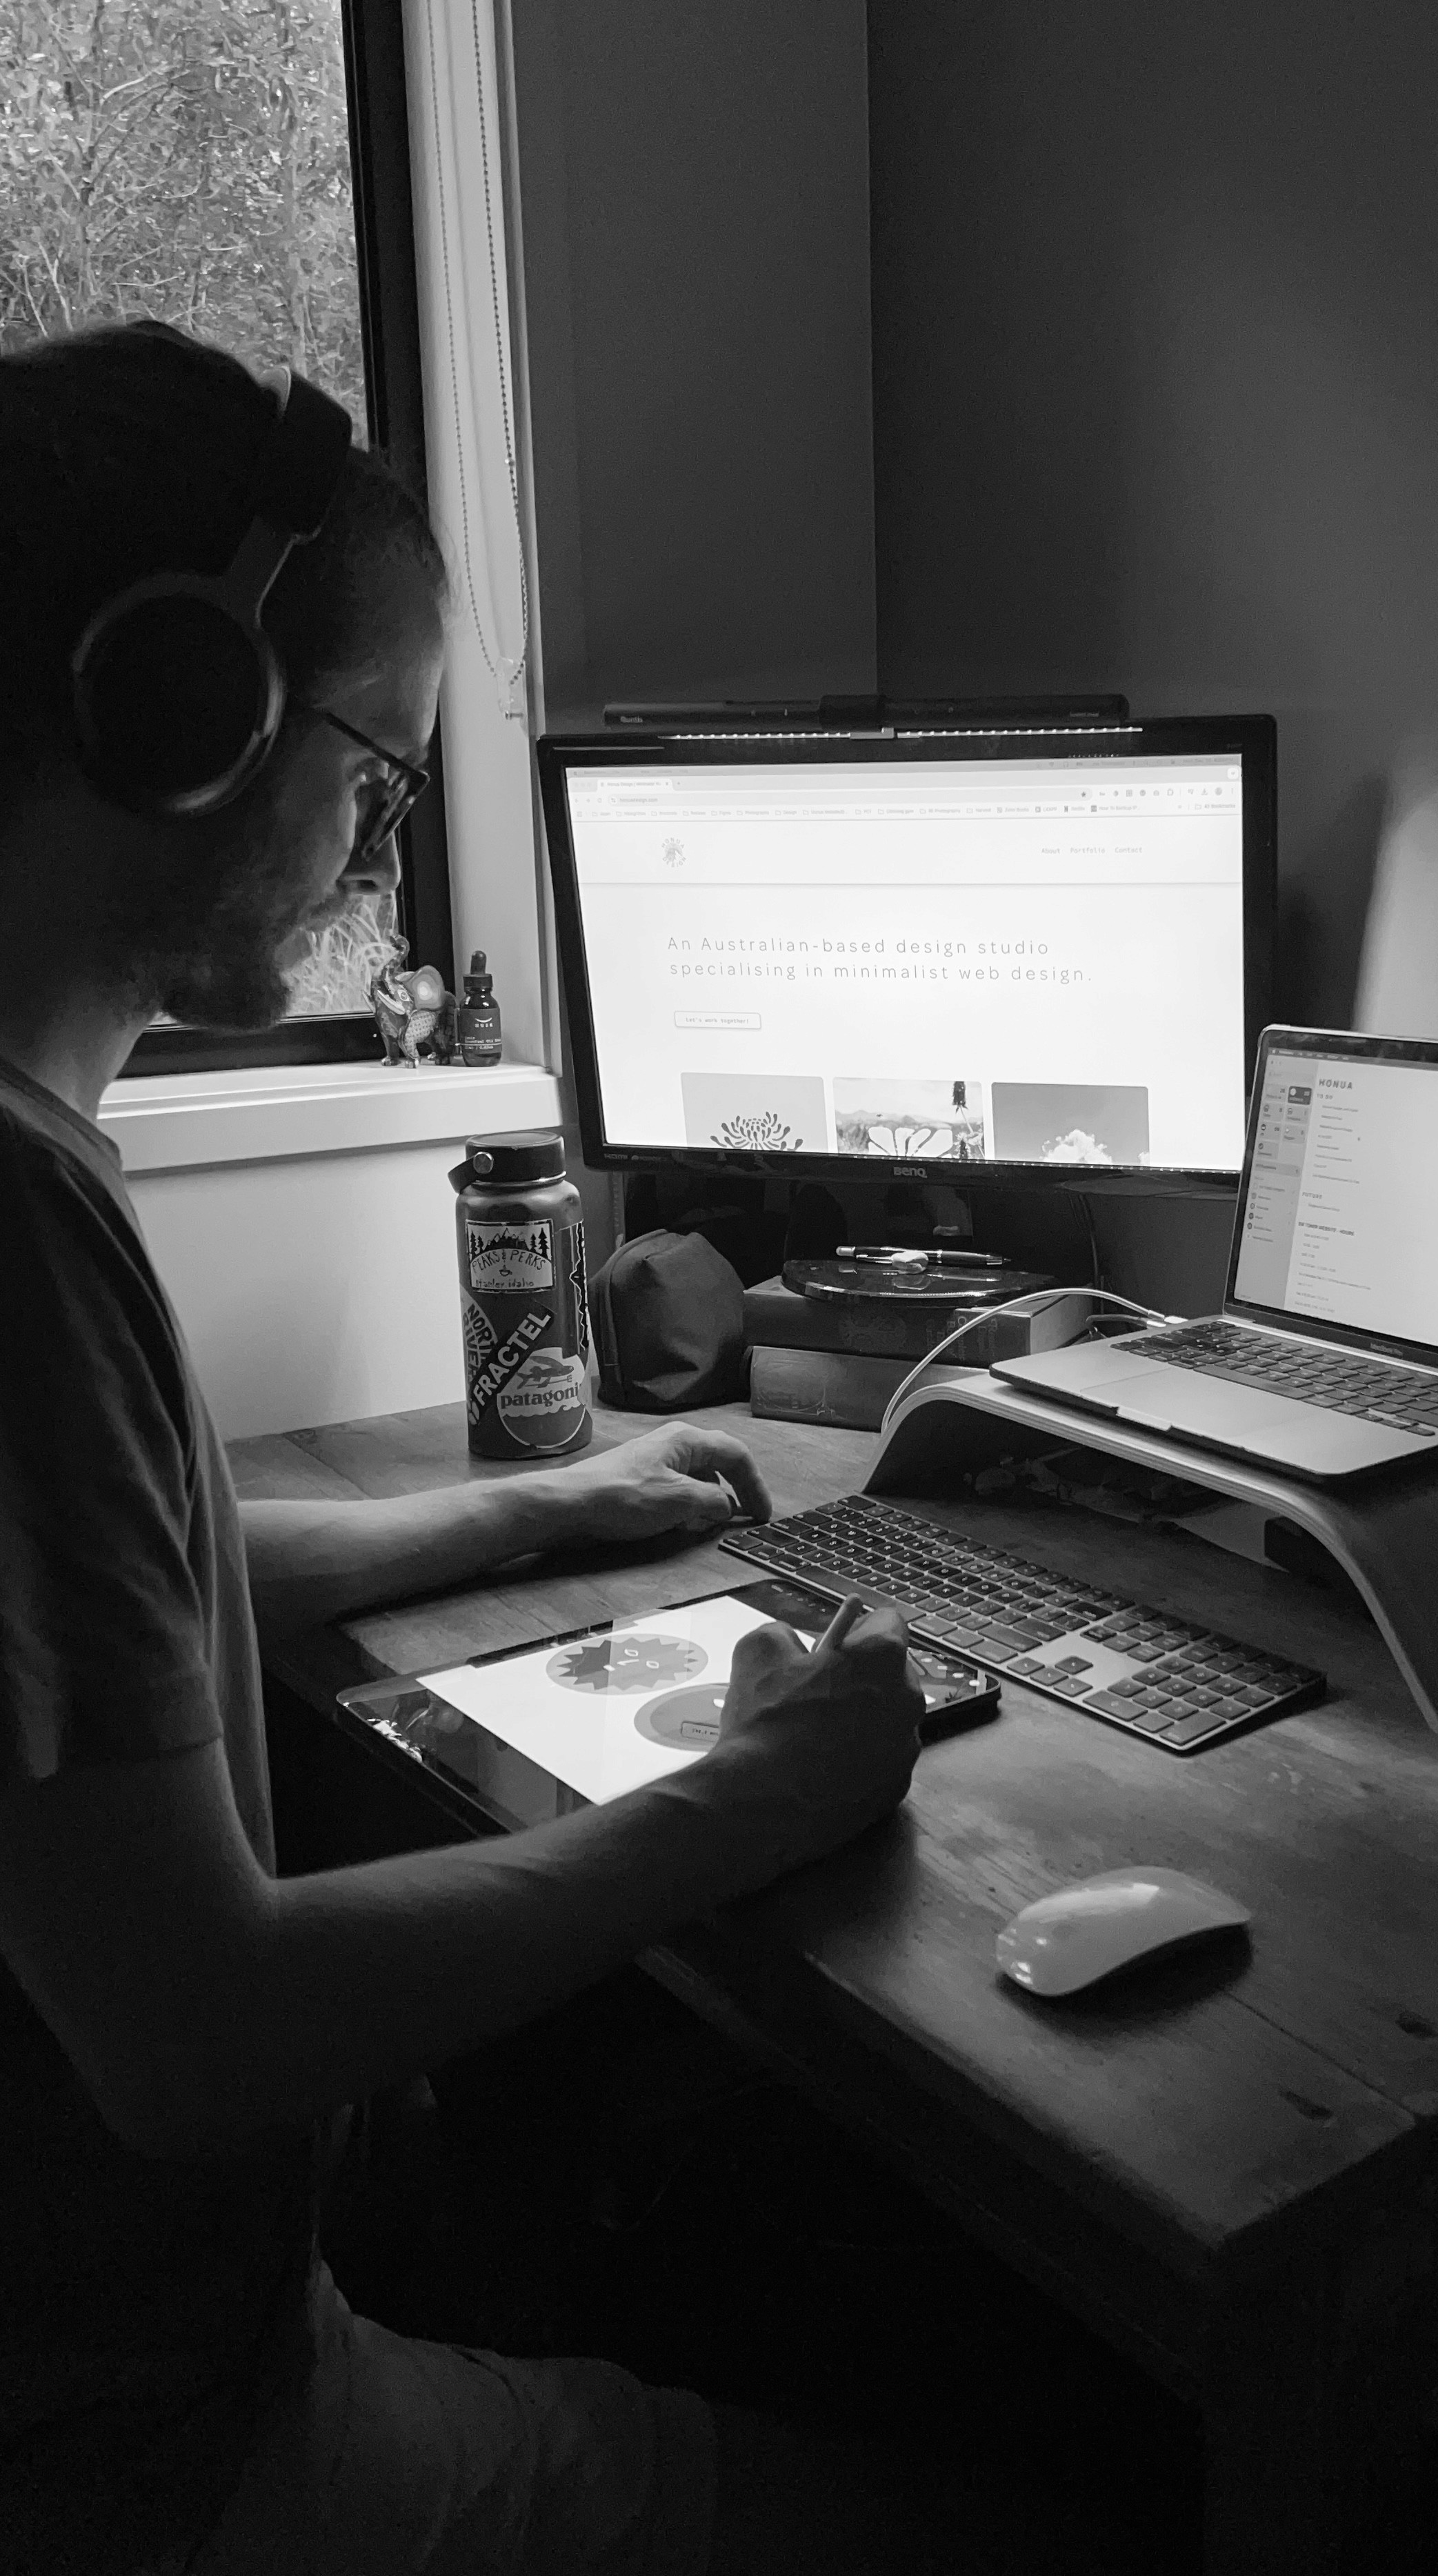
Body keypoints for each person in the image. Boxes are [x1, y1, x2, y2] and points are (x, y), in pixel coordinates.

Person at [0, 323, 929, 2576]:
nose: (371, 845)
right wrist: (758, 1795)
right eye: (376, 771)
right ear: (181, 712)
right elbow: (195, 2031)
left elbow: (102, 1635)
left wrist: (534, 1507)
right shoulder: (11, 1229)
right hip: (152, 2459)